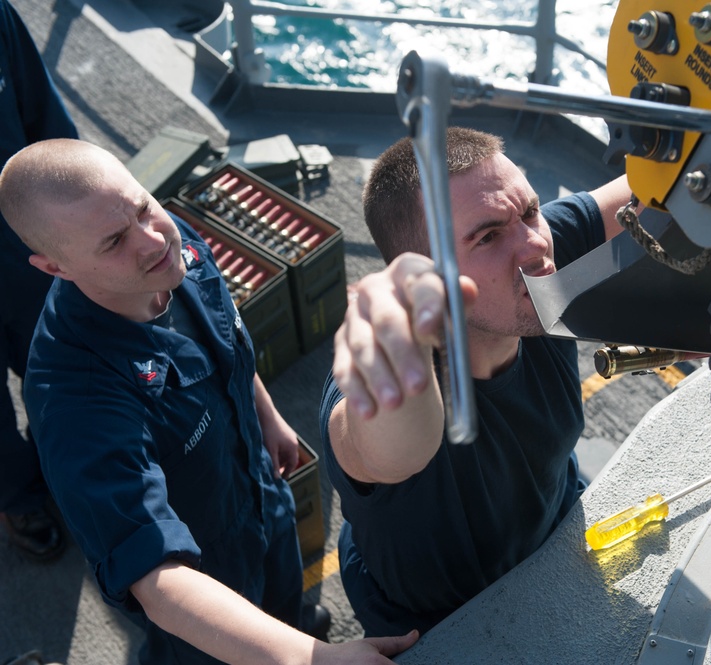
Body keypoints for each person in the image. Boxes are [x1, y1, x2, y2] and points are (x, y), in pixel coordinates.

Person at [0, 139, 418, 665]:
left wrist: (266, 416)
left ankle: (290, 623)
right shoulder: (76, 398)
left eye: (143, 207)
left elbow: (226, 340)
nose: (152, 239)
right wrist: (312, 660)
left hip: (259, 494)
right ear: (55, 269)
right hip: (203, 585)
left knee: (285, 601)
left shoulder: (174, 250)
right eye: (113, 241)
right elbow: (160, 583)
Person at [322, 126, 638, 637]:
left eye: (532, 211)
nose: (535, 245)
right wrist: (399, 352)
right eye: (487, 236)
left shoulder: (530, 260)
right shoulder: (372, 392)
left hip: (555, 534)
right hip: (446, 627)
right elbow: (391, 449)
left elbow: (663, 188)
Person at [0, 0, 78, 561]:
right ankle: (17, 494)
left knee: (59, 367)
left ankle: (64, 469)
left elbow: (47, 125)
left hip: (23, 254)